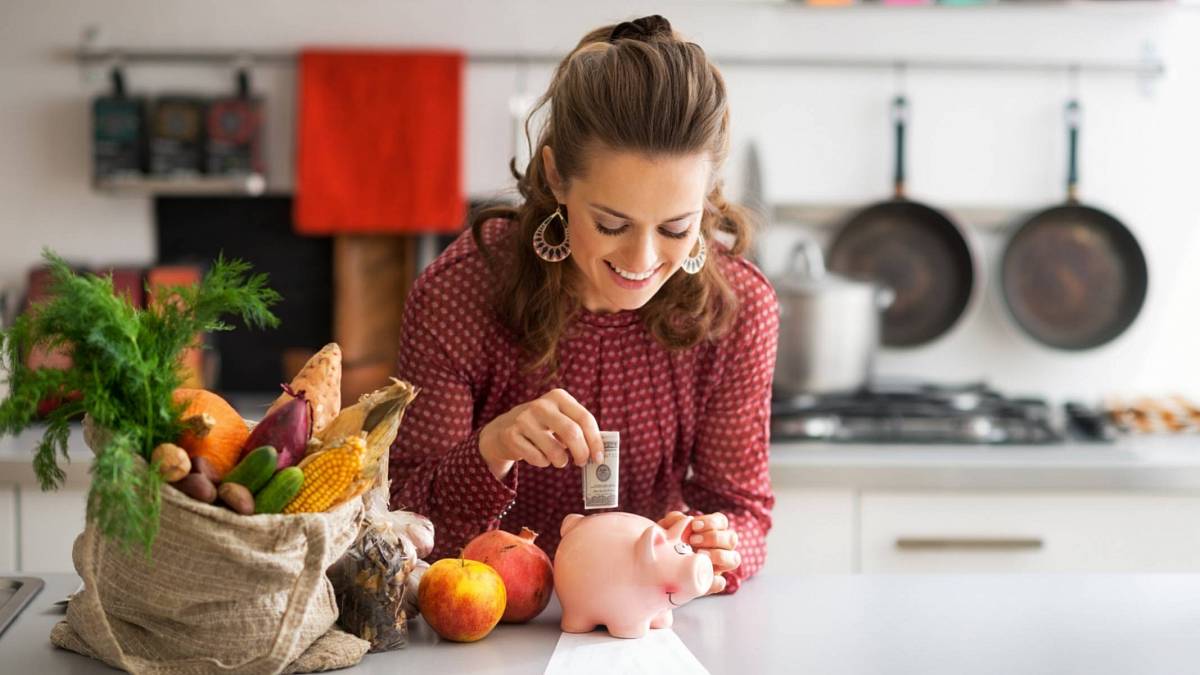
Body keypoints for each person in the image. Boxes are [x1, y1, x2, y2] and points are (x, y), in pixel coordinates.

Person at [389, 15, 779, 595]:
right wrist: (490, 450)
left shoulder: (741, 310)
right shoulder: (460, 295)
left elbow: (743, 513)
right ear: (556, 176)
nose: (642, 257)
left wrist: (711, 545)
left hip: (645, 631)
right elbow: (399, 524)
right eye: (611, 223)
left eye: (676, 227)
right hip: (482, 632)